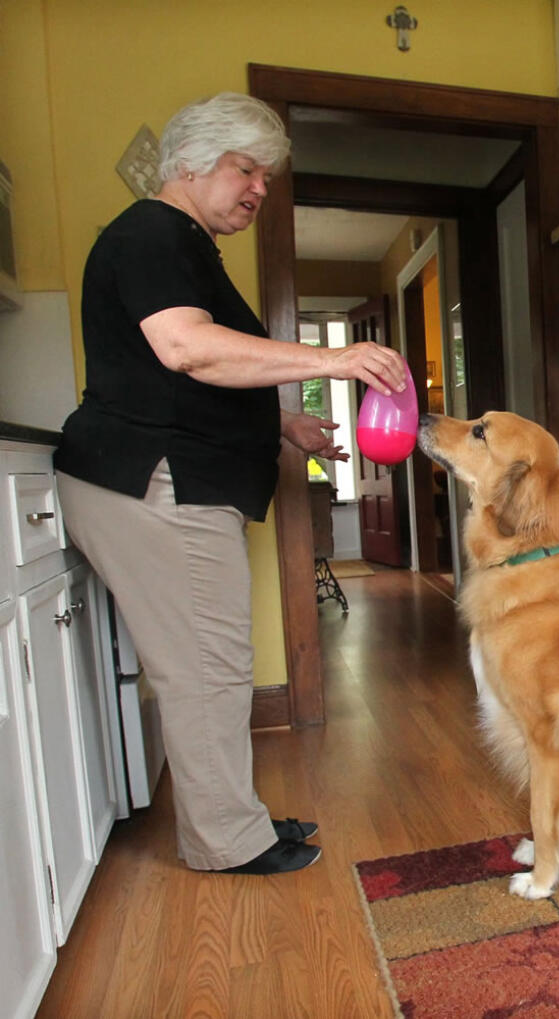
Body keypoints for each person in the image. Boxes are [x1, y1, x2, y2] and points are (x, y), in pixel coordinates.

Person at [53, 93, 407, 873]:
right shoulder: (152, 230)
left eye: (265, 176)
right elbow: (187, 349)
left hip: (163, 477)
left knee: (214, 659)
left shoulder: (182, 242)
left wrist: (284, 426)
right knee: (210, 665)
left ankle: (234, 818)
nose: (258, 188)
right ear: (190, 161)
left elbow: (196, 371)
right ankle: (225, 841)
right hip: (156, 481)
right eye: (244, 169)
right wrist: (331, 360)